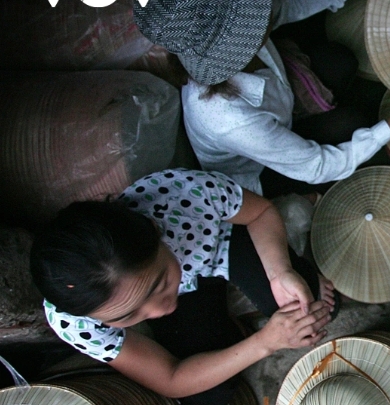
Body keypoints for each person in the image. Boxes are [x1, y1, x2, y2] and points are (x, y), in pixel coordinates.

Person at [133, 0, 390, 199]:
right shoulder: (230, 119)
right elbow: (317, 165)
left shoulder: (228, 25)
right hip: (262, 167)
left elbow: (286, 2)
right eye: (253, 17)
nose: (264, 11)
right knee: (353, 123)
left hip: (279, 105)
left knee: (340, 61)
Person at [31, 169, 333, 404]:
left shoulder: (183, 194)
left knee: (310, 305)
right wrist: (264, 342)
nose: (163, 309)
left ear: (154, 230)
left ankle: (297, 244)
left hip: (217, 248)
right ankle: (227, 324)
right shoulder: (74, 320)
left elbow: (261, 212)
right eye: (127, 315)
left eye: (158, 284)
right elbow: (171, 378)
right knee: (207, 395)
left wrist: (280, 271)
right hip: (190, 284)